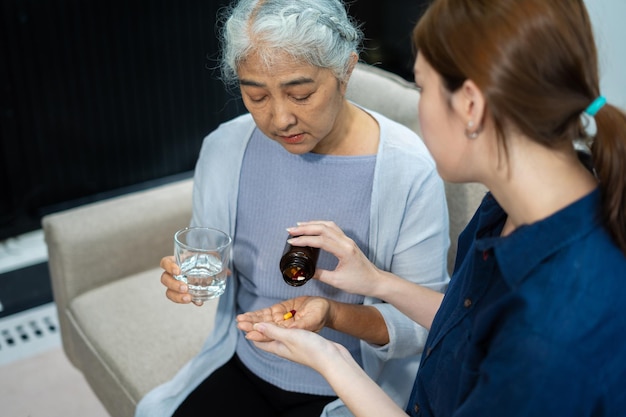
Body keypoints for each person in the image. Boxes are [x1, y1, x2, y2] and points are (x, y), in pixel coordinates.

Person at [240, 0, 626, 416]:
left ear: (471, 106)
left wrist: (328, 358)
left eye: (421, 88)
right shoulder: (513, 206)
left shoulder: (552, 331)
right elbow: (472, 320)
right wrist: (379, 282)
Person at [134, 0, 451, 416]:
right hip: (246, 363)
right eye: (256, 95)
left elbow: (424, 326)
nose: (280, 119)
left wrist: (333, 314)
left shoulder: (406, 171)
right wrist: (191, 275)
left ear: (346, 71)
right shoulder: (225, 149)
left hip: (350, 390)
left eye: (300, 94)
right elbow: (210, 251)